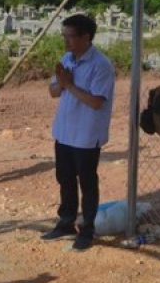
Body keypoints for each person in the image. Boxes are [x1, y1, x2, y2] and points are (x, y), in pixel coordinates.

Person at [41, 14, 115, 252]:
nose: (66, 41)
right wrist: (62, 83)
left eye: (70, 36)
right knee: (65, 180)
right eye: (64, 36)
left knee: (87, 182)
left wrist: (70, 85)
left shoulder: (101, 65)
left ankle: (87, 229)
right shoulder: (67, 59)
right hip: (64, 132)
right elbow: (53, 92)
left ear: (86, 37)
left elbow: (95, 102)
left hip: (85, 135)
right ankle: (66, 221)